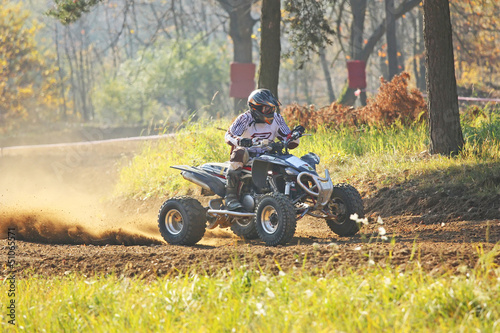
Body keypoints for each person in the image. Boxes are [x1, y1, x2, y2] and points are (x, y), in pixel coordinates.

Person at [224, 88, 303, 210]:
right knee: (239, 151)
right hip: (247, 155)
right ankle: (230, 197)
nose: (270, 111)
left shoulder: (276, 118)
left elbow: (287, 137)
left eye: (272, 108)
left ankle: (291, 194)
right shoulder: (244, 118)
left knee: (287, 165)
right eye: (267, 109)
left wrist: (294, 135)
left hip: (268, 155)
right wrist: (240, 141)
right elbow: (228, 135)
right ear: (255, 107)